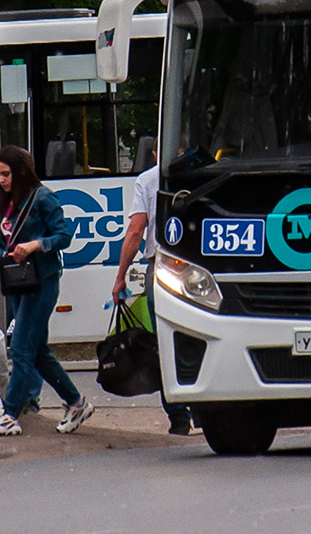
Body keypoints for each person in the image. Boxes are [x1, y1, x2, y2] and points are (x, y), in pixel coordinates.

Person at [0, 145, 94, 436]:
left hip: (43, 281)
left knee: (20, 348)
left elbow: (64, 236)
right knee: (37, 350)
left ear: (20, 172)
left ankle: (9, 414)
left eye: (6, 174)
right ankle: (76, 402)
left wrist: (35, 245)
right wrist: (1, 257)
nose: (2, 181)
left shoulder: (42, 198)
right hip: (16, 282)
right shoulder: (3, 204)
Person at [112, 161, 195, 435]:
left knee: (164, 340)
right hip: (203, 264)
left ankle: (179, 415)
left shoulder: (148, 180)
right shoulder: (204, 171)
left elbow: (136, 231)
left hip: (163, 268)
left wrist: (120, 276)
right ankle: (206, 406)